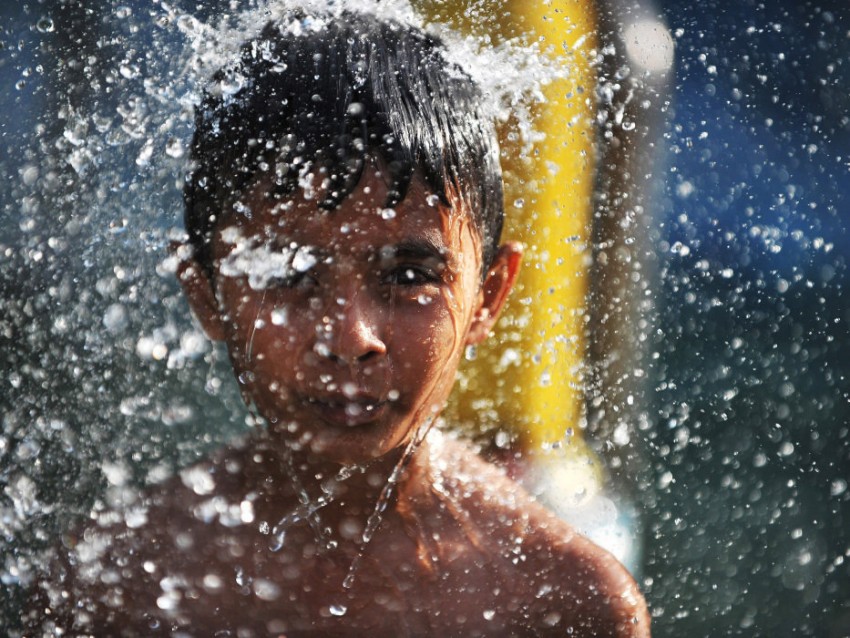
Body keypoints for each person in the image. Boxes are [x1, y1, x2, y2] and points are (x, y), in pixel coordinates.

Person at [24, 10, 650, 637]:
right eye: (290, 275)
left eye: (408, 277)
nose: (350, 339)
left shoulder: (564, 605)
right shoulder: (115, 588)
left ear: (489, 294)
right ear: (207, 295)